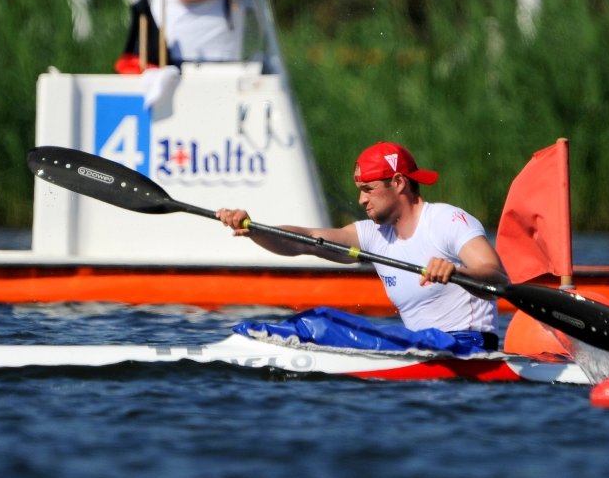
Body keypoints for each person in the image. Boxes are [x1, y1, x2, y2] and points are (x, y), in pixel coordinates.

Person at [216, 142, 508, 354]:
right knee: (318, 319)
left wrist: (455, 270)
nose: (361, 200)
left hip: (467, 347)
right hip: (423, 349)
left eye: (368, 189)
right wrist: (253, 228)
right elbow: (305, 240)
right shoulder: (372, 235)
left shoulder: (446, 220)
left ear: (398, 182)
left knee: (321, 324)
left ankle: (258, 343)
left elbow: (496, 275)